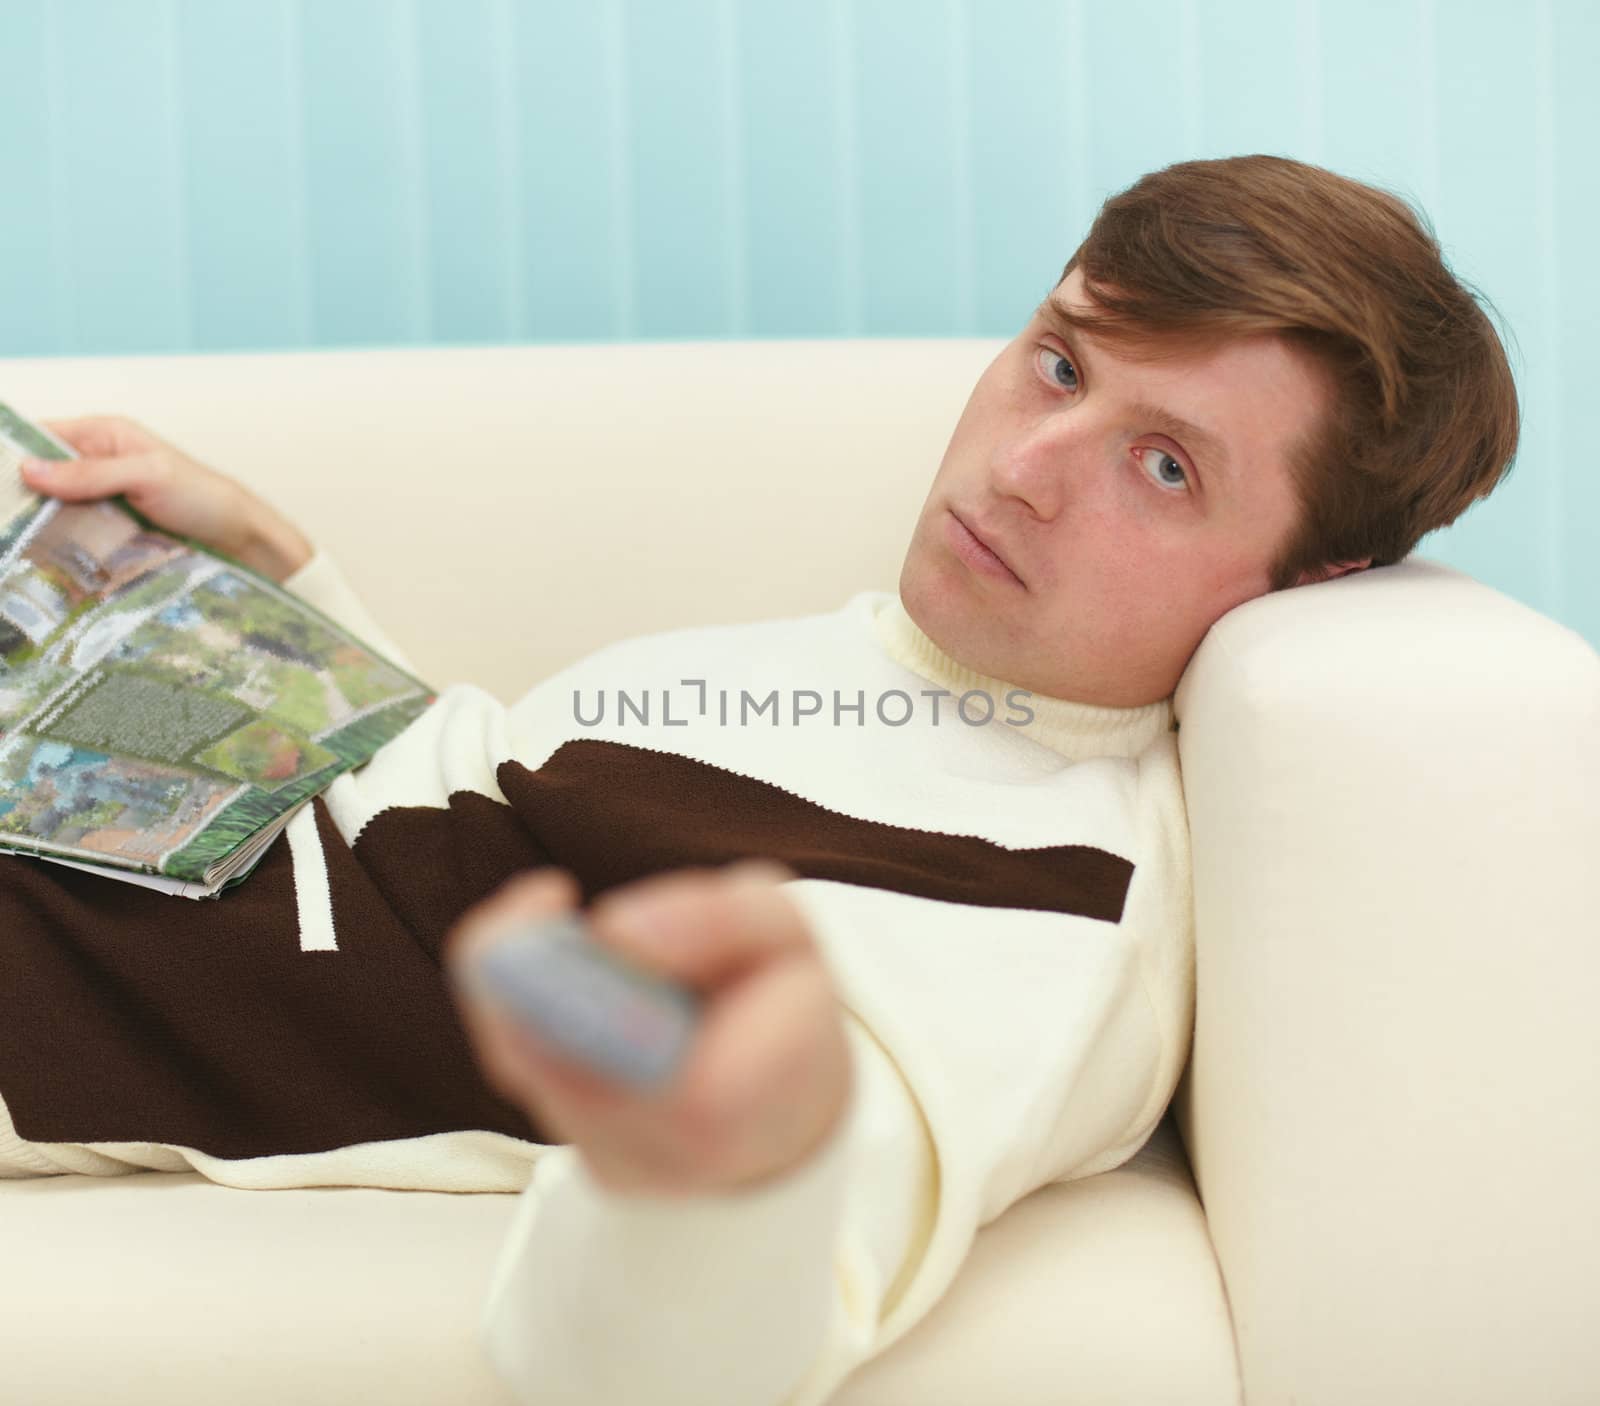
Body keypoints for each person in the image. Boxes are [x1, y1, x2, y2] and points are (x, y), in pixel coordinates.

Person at [0, 155, 1517, 1405]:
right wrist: (261, 563)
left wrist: (720, 1160)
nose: (1026, 464)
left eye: (1166, 464)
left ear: (1309, 576)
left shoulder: (1041, 908)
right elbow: (452, 811)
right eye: (1059, 361)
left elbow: (699, 1294)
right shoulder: (906, 660)